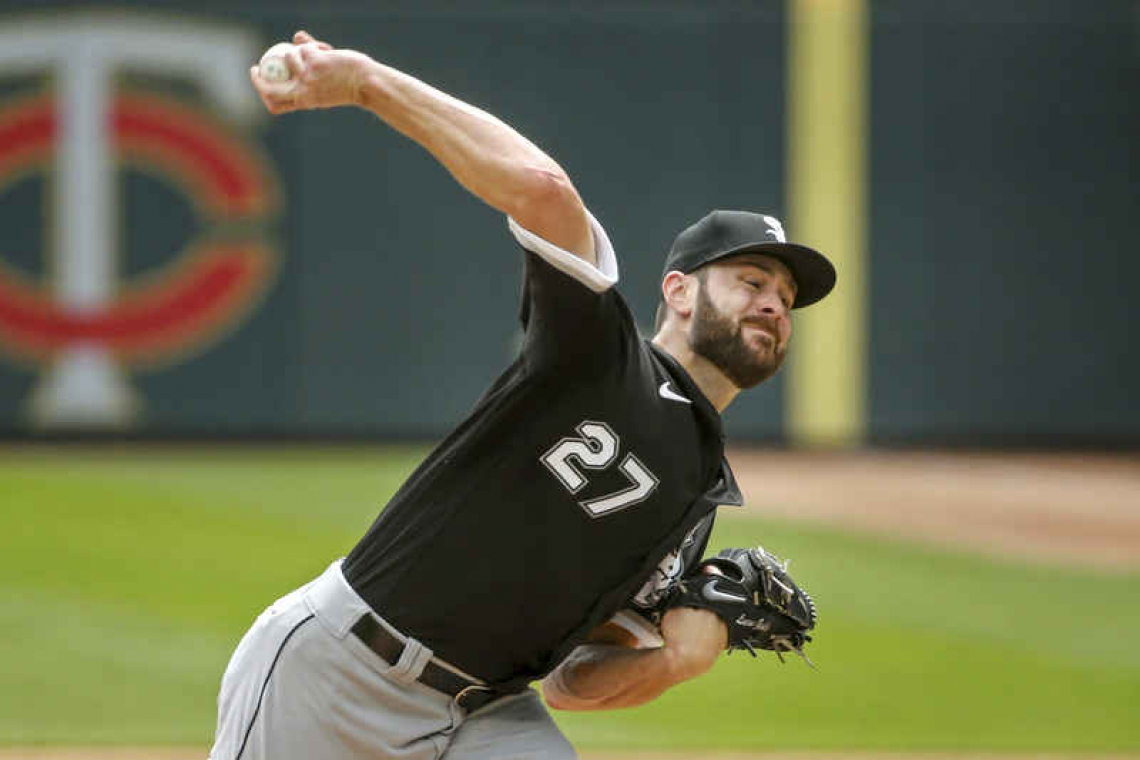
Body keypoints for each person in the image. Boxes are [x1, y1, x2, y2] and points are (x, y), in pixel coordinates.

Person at [211, 30, 835, 760]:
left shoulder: (700, 490)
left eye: (786, 298)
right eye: (751, 283)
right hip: (341, 672)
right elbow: (542, 191)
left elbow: (573, 680)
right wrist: (365, 82)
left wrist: (676, 659)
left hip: (488, 713)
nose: (772, 305)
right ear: (679, 292)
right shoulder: (599, 354)